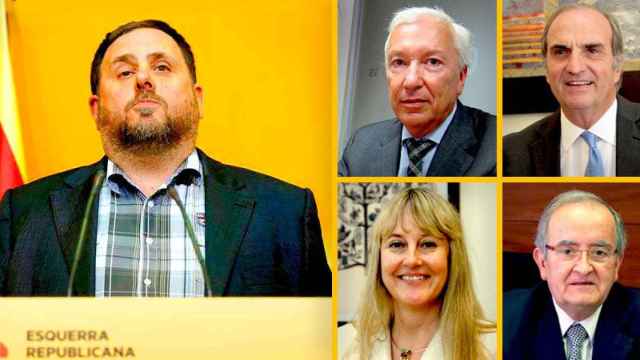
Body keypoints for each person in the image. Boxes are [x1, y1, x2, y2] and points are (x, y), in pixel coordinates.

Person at [0, 20, 331, 297]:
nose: (144, 80)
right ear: (96, 108)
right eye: (125, 72)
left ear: (197, 100)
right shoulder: (25, 212)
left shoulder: (283, 212)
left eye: (161, 66)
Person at [339, 188, 495, 359]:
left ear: (451, 257)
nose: (412, 260)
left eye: (427, 244)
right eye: (397, 244)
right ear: (379, 259)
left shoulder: (494, 346)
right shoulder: (342, 344)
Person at [338, 7, 496, 177]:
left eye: (433, 62)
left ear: (461, 77)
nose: (411, 81)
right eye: (399, 62)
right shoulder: (361, 145)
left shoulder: (496, 147)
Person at [504, 4, 640, 176]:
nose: (575, 68)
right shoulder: (511, 154)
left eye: (592, 50)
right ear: (546, 68)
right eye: (561, 52)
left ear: (617, 67)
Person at [504, 190, 640, 359]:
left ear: (617, 264)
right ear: (542, 263)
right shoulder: (507, 320)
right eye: (568, 251)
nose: (584, 268)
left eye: (599, 252)